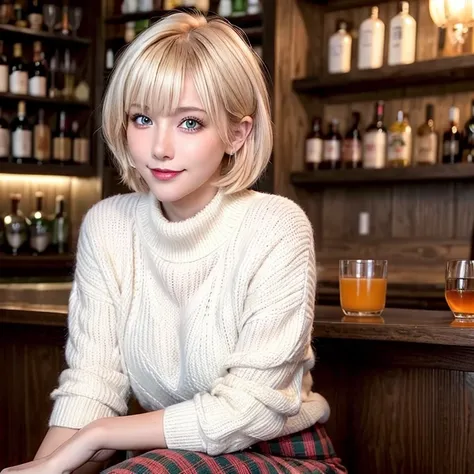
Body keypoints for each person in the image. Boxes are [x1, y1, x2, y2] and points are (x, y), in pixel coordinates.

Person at [2, 11, 346, 474]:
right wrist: (46, 467)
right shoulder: (108, 225)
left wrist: (101, 435)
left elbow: (250, 408)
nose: (159, 147)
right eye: (142, 118)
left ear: (237, 134)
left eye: (189, 123)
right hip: (159, 456)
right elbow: (90, 387)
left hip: (277, 454)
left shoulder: (276, 225)